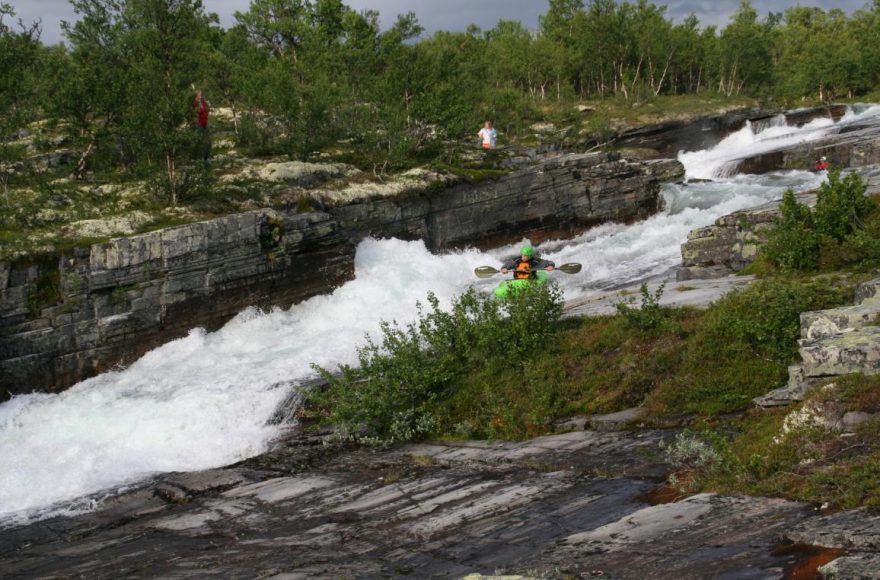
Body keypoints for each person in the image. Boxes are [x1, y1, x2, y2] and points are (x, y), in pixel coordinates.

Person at [193, 89, 211, 161]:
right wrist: (199, 106)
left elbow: (207, 109)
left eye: (201, 94)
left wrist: (205, 107)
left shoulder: (203, 102)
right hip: (198, 124)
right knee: (200, 141)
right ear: (196, 96)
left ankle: (205, 158)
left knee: (207, 141)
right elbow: (196, 111)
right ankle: (198, 158)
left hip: (205, 124)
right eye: (200, 95)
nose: (201, 96)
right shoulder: (195, 103)